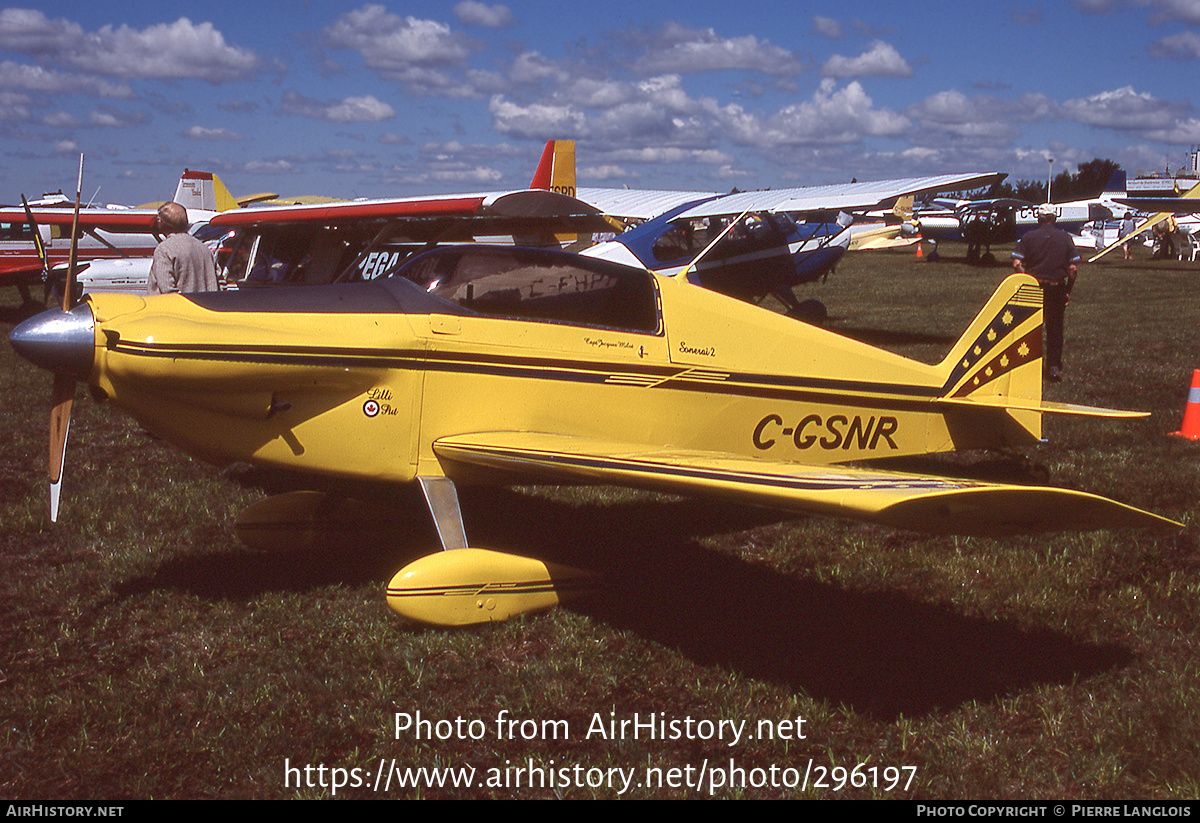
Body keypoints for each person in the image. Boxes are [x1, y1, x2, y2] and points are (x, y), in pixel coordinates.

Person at [1012, 203, 1079, 382]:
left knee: (1029, 327)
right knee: (1055, 329)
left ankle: (1024, 364)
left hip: (1034, 288)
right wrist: (1068, 289)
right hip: (1057, 287)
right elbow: (1073, 268)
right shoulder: (1065, 238)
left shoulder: (1028, 237)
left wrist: (1026, 279)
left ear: (1039, 218)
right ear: (1055, 218)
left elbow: (1017, 263)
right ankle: (1054, 367)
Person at [148, 201, 218, 295]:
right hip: (206, 306)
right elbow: (217, 281)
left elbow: (167, 289)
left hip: (176, 308)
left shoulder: (164, 250)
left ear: (161, 223)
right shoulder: (204, 249)